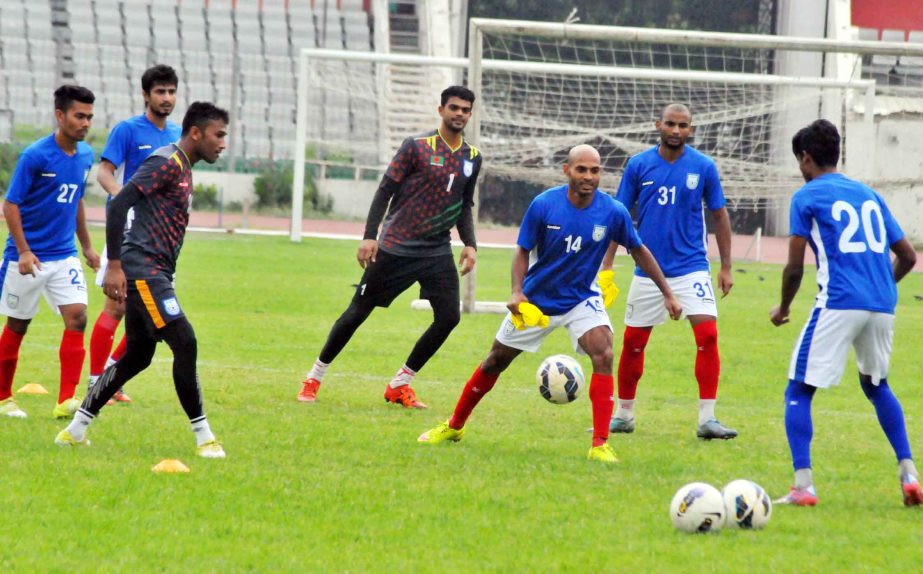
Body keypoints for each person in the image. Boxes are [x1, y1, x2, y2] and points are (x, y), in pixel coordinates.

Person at [418, 145, 682, 463]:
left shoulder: (613, 211)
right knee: (494, 361)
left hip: (582, 298)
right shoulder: (544, 205)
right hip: (538, 300)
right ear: (567, 170)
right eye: (582, 169)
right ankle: (455, 425)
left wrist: (667, 292)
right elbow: (522, 251)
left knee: (605, 352)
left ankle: (600, 444)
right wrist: (517, 292)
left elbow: (639, 250)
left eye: (595, 170)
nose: (589, 176)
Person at [55, 102, 229, 458]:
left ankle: (76, 429)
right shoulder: (166, 161)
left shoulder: (182, 165)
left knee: (137, 355)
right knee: (185, 340)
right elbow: (119, 204)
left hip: (156, 270)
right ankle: (204, 437)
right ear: (196, 133)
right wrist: (115, 264)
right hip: (143, 269)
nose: (223, 143)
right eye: (219, 135)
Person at [297, 85, 481, 408]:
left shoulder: (472, 158)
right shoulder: (416, 147)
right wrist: (370, 236)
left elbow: (465, 204)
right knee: (358, 312)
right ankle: (314, 377)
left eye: (466, 110)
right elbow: (386, 190)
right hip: (397, 246)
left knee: (449, 317)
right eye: (454, 108)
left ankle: (400, 383)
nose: (460, 114)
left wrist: (470, 244)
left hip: (437, 250)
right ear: (441, 110)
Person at [770, 119, 920, 506]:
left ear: (805, 158)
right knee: (876, 386)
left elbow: (794, 266)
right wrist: (880, 287)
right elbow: (908, 256)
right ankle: (909, 476)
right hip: (883, 306)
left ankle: (803, 486)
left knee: (799, 388)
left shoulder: (807, 196)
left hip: (838, 301)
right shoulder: (869, 195)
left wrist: (783, 307)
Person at [610, 103, 737, 440]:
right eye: (670, 124)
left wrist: (725, 266)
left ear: (691, 129)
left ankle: (707, 419)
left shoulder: (703, 167)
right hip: (648, 272)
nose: (676, 130)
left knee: (707, 336)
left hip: (692, 267)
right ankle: (623, 414)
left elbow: (719, 215)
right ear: (658, 125)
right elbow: (618, 215)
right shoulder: (638, 165)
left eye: (683, 125)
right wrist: (606, 265)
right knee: (634, 344)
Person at [0, 85, 100, 420]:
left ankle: (66, 400)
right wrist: (25, 251)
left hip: (64, 255)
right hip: (25, 258)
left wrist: (86, 246)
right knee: (18, 325)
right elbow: (10, 204)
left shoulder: (85, 156)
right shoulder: (36, 155)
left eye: (89, 116)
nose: (85, 122)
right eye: (79, 115)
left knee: (78, 317)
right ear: (60, 115)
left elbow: (77, 201)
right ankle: (2, 397)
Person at [89, 64, 181, 405]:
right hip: (130, 227)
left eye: (171, 91)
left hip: (160, 233)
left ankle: (113, 379)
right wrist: (123, 200)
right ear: (146, 95)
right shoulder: (128, 130)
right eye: (160, 91)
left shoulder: (177, 134)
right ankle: (95, 381)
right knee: (117, 305)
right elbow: (104, 172)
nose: (167, 98)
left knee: (146, 314)